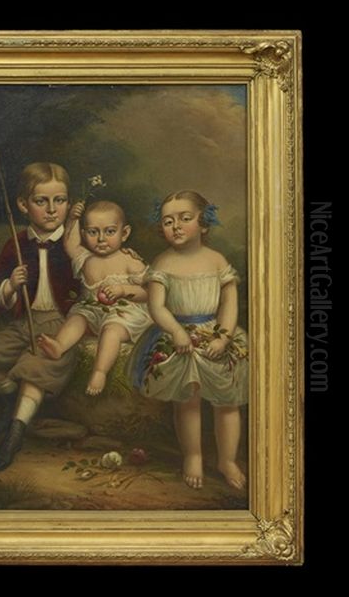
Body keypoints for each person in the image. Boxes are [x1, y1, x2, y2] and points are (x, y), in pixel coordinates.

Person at [126, 190, 248, 490]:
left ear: (203, 224)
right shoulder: (163, 263)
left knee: (228, 402)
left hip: (215, 334)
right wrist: (177, 332)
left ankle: (227, 460)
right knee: (187, 400)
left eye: (185, 218)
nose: (176, 226)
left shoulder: (217, 260)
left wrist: (223, 337)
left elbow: (229, 304)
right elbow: (157, 307)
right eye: (168, 221)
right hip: (178, 336)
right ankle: (193, 456)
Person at [0, 162, 80, 471]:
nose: (52, 210)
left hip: (61, 323)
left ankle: (15, 434)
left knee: (34, 368)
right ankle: (10, 404)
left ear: (68, 202)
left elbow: (95, 277)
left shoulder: (75, 242)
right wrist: (10, 285)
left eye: (59, 200)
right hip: (25, 321)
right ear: (22, 204)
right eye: (41, 201)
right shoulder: (16, 244)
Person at [37, 200, 152, 395]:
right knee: (78, 318)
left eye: (110, 231)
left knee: (111, 330)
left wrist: (123, 290)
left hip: (124, 316)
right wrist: (73, 219)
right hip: (93, 311)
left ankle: (100, 371)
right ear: (84, 234)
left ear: (124, 233)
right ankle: (59, 346)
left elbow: (149, 292)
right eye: (93, 232)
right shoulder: (86, 258)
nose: (101, 239)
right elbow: (70, 243)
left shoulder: (130, 261)